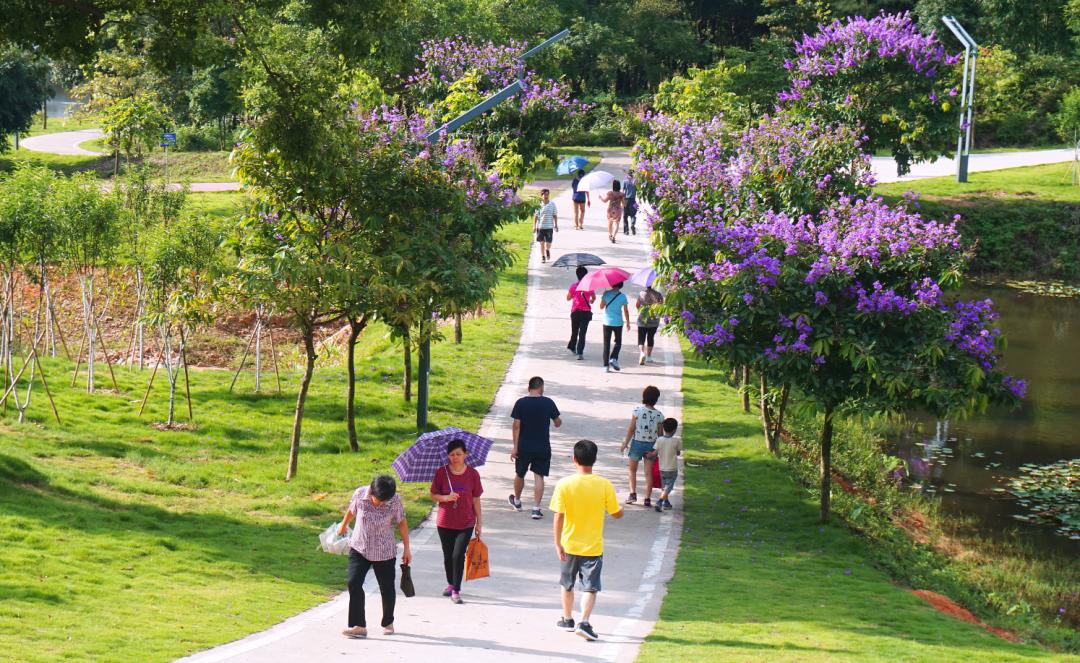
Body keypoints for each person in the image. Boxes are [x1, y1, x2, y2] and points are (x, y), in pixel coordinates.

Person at [551, 439, 624, 641]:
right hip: (593, 546)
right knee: (590, 587)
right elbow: (616, 514)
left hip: (569, 543)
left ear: (574, 459)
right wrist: (622, 505)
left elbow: (558, 516)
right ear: (595, 459)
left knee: (567, 583)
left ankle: (567, 619)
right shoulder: (604, 484)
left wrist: (557, 543)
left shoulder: (564, 484)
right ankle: (584, 621)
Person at [337, 474, 411, 639]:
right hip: (360, 547)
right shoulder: (360, 494)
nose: (382, 503)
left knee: (387, 588)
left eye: (385, 501)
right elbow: (351, 510)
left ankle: (388, 622)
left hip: (384, 551)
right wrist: (343, 525)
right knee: (353, 582)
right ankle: (359, 626)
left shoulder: (395, 500)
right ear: (372, 491)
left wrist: (407, 548)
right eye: (379, 500)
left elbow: (402, 523)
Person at [429, 438, 484, 604]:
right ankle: (451, 583)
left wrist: (479, 522)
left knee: (458, 555)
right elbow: (433, 495)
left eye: (458, 454)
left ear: (465, 454)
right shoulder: (441, 472)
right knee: (448, 556)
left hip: (466, 522)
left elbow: (476, 499)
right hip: (445, 522)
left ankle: (456, 590)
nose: (455, 457)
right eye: (452, 454)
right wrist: (446, 497)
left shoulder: (473, 474)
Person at [510, 376, 563, 519]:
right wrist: (556, 421)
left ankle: (517, 501)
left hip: (524, 447)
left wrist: (515, 447)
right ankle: (536, 508)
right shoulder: (548, 402)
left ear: (529, 388)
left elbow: (516, 426)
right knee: (539, 476)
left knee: (520, 474)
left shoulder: (520, 403)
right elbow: (558, 422)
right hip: (542, 446)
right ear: (541, 388)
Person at [619, 385, 664, 507]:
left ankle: (632, 494)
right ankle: (647, 499)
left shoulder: (637, 411)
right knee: (648, 473)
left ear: (644, 397)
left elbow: (631, 429)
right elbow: (660, 435)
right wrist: (657, 450)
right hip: (651, 446)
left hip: (637, 444)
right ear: (656, 399)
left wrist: (625, 443)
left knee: (632, 470)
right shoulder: (659, 415)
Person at [598, 281, 630, 373]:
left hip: (607, 322)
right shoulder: (623, 296)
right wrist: (628, 322)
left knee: (606, 344)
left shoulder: (606, 294)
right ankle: (613, 358)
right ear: (621, 285)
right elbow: (626, 311)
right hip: (618, 323)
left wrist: (603, 296)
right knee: (618, 342)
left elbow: (601, 307)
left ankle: (605, 366)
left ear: (612, 284)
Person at [566, 266, 596, 361]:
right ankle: (580, 352)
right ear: (586, 276)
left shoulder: (573, 286)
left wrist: (574, 295)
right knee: (582, 333)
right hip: (585, 313)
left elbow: (568, 298)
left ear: (577, 275)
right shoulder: (590, 287)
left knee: (574, 332)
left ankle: (572, 347)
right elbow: (593, 298)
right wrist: (591, 301)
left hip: (575, 312)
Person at [653, 418, 681, 512]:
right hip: (672, 468)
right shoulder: (676, 441)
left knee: (664, 486)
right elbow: (678, 453)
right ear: (674, 429)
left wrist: (649, 455)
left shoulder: (659, 440)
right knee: (668, 487)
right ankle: (660, 501)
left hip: (662, 468)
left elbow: (655, 452)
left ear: (664, 428)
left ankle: (666, 502)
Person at [635, 285, 664, 365]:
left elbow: (637, 305)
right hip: (654, 319)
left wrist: (642, 310)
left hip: (642, 318)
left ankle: (642, 353)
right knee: (650, 337)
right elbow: (661, 306)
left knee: (641, 338)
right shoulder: (658, 294)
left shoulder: (641, 293)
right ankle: (649, 356)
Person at [534, 188, 558, 263]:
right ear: (541, 195)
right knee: (542, 243)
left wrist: (556, 225)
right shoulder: (538, 205)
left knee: (548, 243)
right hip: (540, 227)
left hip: (549, 227)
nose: (546, 196)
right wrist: (534, 226)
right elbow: (536, 216)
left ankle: (547, 250)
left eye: (547, 194)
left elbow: (555, 215)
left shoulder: (552, 204)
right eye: (544, 194)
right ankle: (543, 257)